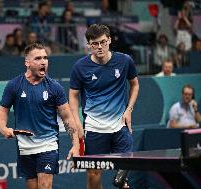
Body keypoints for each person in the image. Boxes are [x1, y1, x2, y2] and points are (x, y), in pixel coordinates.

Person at [0, 42, 79, 189]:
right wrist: (3, 128)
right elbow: (3, 110)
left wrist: (75, 144)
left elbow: (67, 117)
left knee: (44, 185)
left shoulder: (55, 87)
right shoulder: (14, 85)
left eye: (45, 58)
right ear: (27, 63)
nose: (43, 62)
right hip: (25, 146)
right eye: (38, 58)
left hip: (48, 144)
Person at [69, 24, 139, 189]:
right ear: (89, 45)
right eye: (95, 44)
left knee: (123, 176)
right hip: (94, 128)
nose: (99, 47)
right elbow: (73, 95)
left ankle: (122, 181)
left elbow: (135, 85)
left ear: (109, 40)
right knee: (93, 175)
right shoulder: (80, 67)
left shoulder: (125, 61)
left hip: (120, 126)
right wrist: (77, 122)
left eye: (103, 42)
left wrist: (129, 110)